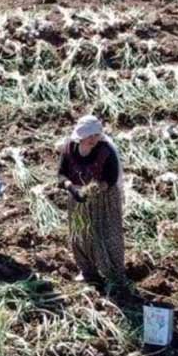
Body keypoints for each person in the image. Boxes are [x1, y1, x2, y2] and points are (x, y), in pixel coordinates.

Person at [57, 114, 126, 287]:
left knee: (106, 235)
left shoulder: (105, 151)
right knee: (81, 235)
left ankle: (114, 275)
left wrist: (94, 190)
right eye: (90, 136)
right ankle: (88, 271)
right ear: (81, 135)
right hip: (77, 200)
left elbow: (111, 178)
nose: (93, 139)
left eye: (96, 135)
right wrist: (73, 189)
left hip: (104, 200)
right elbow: (61, 174)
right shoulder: (69, 148)